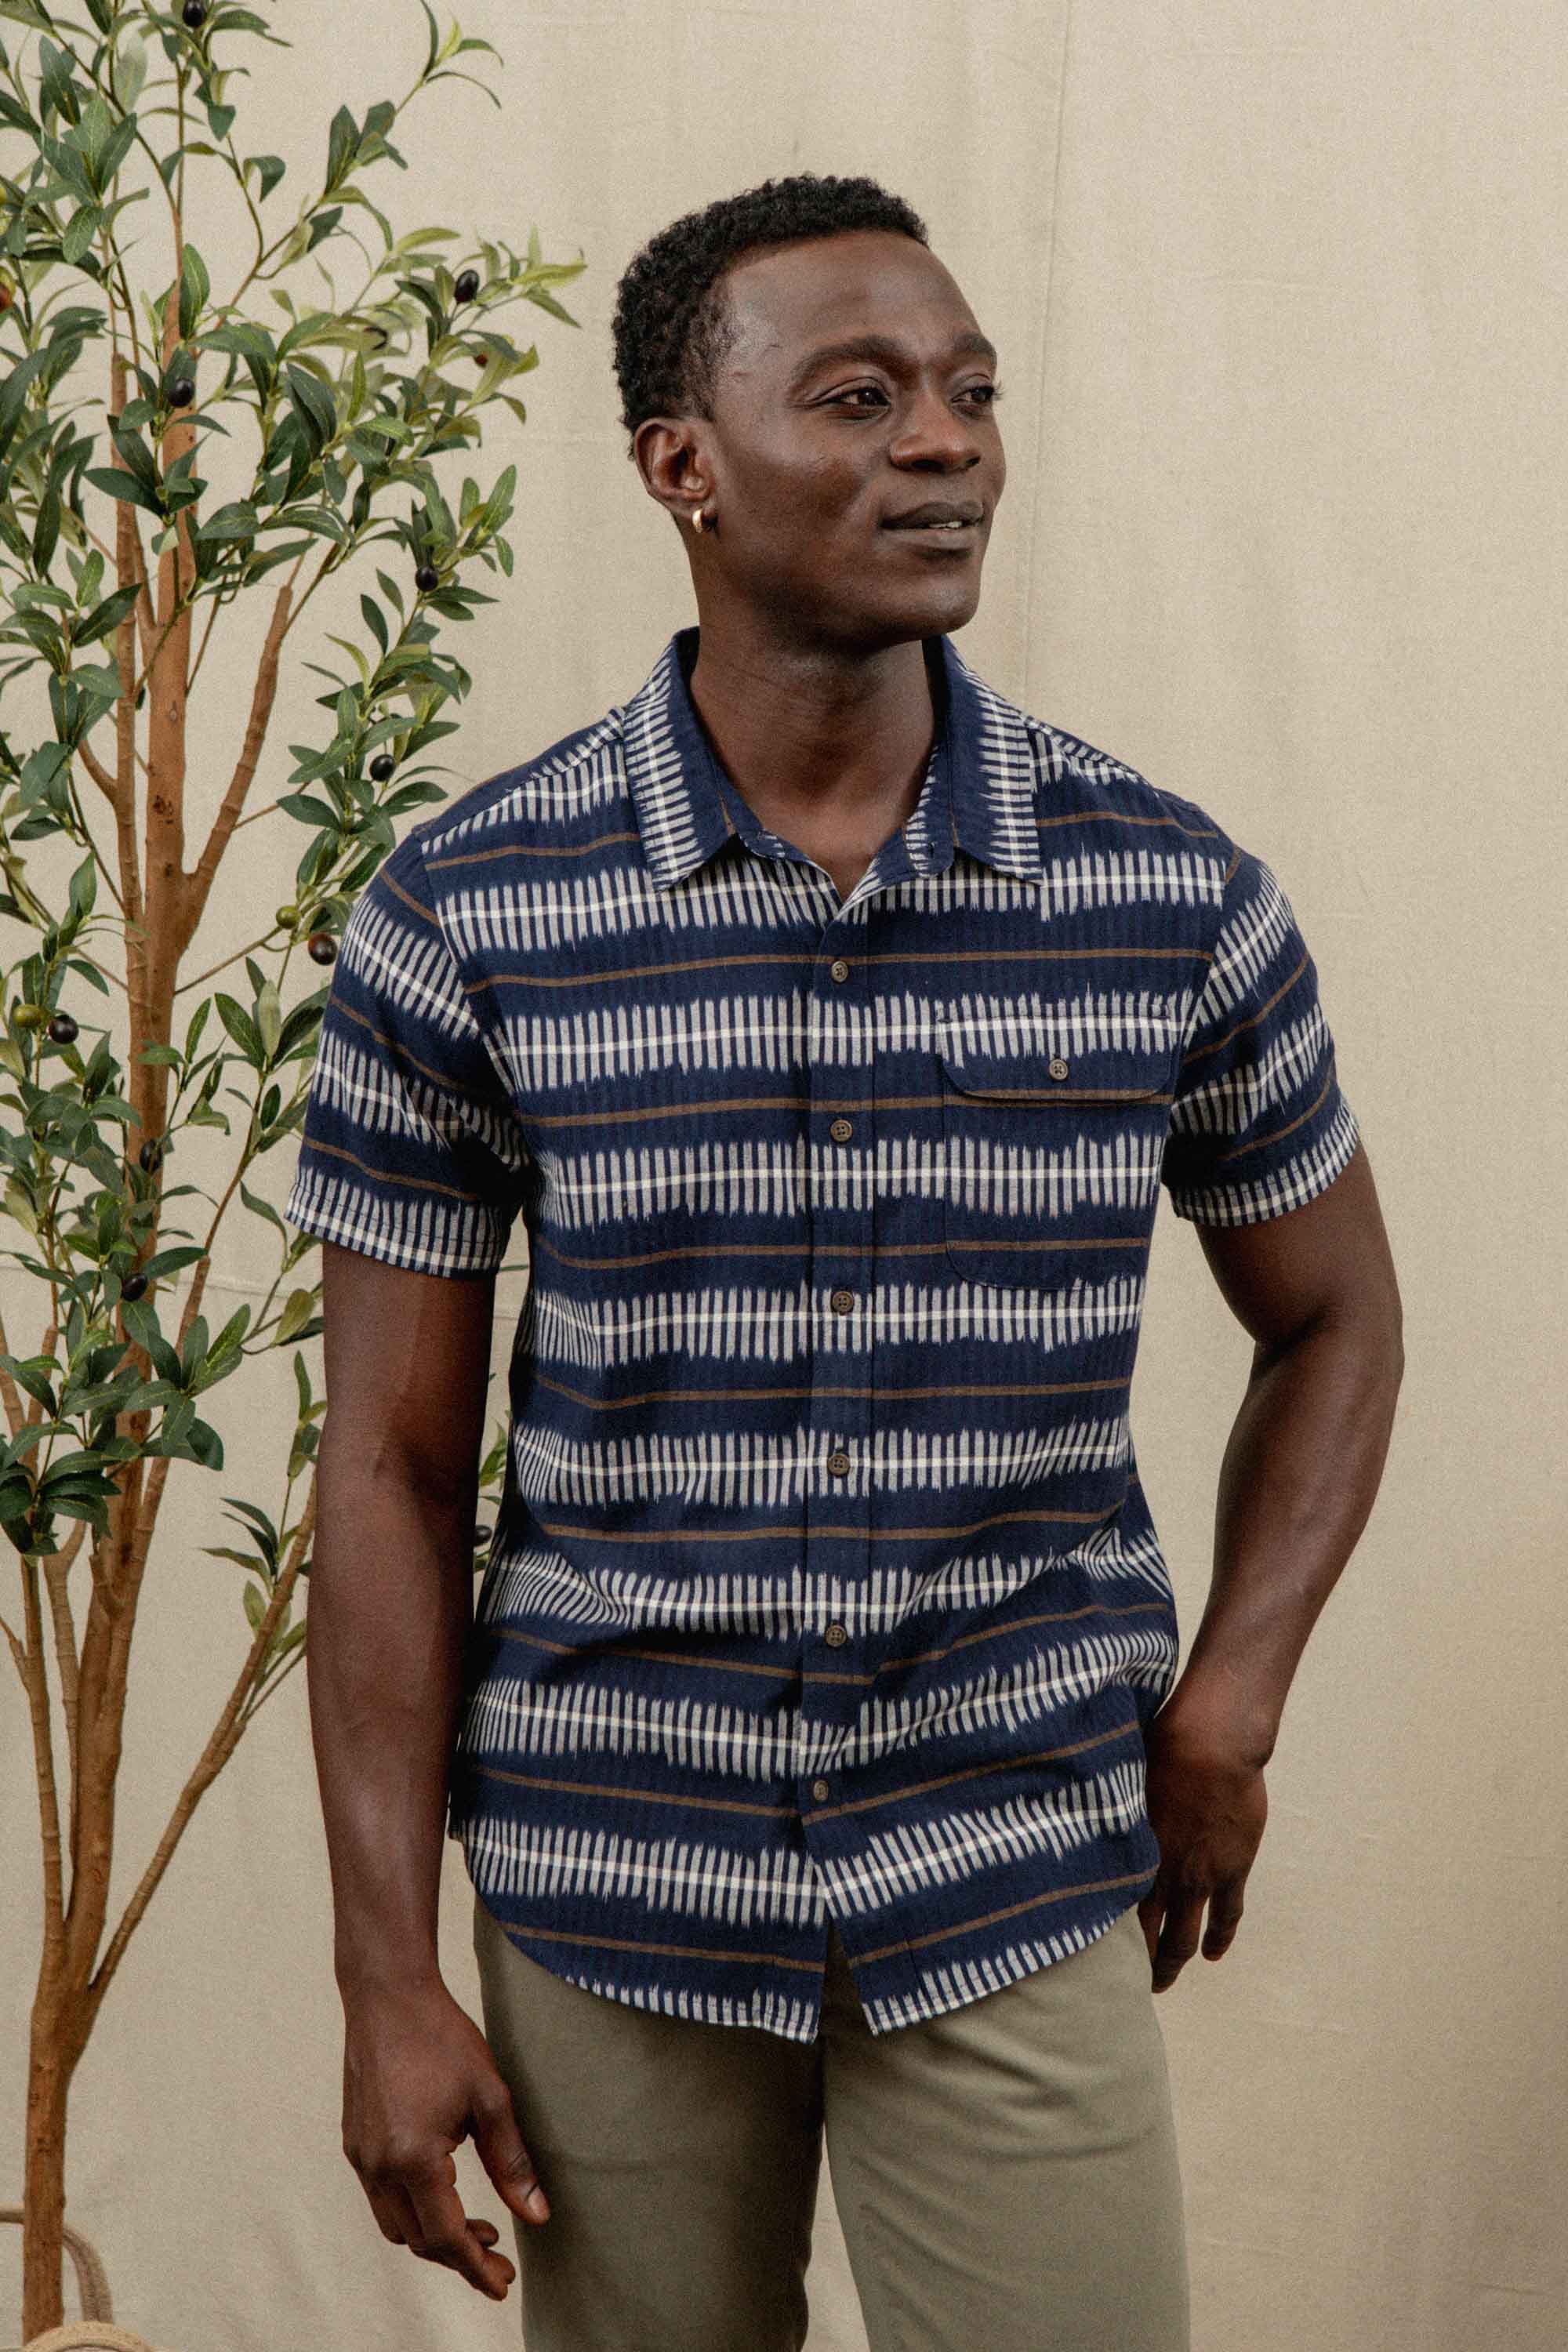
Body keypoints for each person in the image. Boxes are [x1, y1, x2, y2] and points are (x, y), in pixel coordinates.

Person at [285, 172, 1403, 2352]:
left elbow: (1340, 1315)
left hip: (1013, 1855)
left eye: (973, 392)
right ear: (679, 467)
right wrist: (382, 1973)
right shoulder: (470, 917)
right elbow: (392, 1473)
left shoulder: (1168, 896)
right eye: (864, 396)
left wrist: (1232, 1702)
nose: (947, 442)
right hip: (617, 1894)